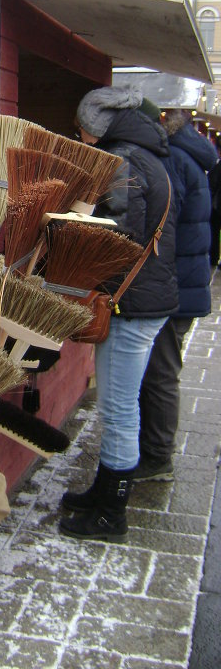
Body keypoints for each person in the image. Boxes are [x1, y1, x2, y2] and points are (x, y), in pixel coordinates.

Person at [59, 86, 178, 543]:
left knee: (118, 408)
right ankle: (101, 492)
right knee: (119, 405)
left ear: (96, 127)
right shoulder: (151, 156)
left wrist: (71, 225)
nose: (82, 138)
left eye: (82, 130)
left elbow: (119, 237)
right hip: (148, 299)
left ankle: (111, 514)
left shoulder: (123, 160)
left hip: (132, 304)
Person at [136, 107, 218, 481]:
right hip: (184, 281)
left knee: (160, 373)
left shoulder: (172, 160)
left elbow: (161, 228)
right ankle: (153, 451)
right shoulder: (187, 154)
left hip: (174, 287)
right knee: (161, 371)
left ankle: (157, 458)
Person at [208, 138, 221, 267]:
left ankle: (214, 258)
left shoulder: (217, 168)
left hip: (217, 208)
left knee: (215, 233)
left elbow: (211, 186)